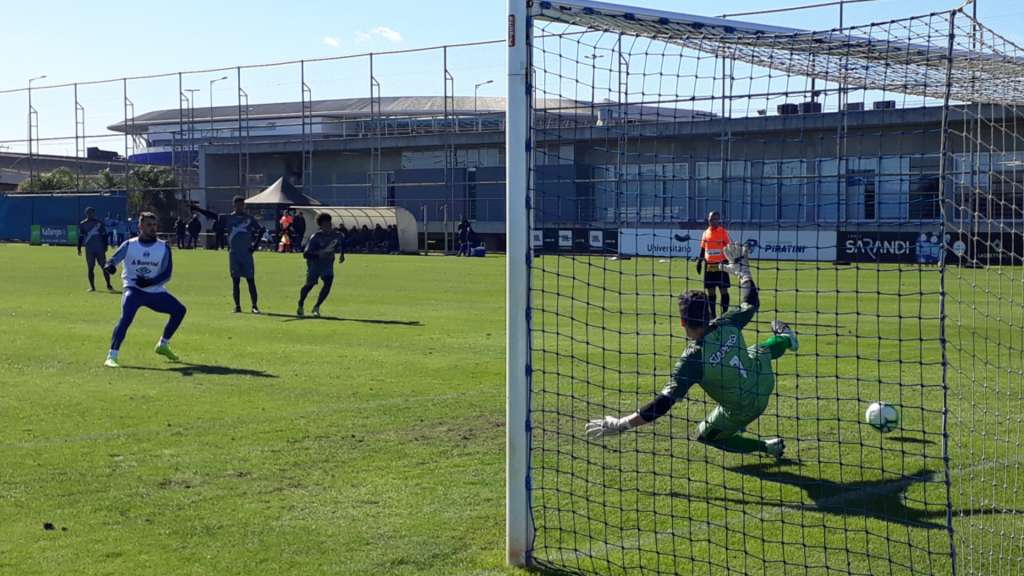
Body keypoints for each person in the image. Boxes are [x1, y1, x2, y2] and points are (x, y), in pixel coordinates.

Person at [585, 244, 799, 459]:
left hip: (744, 409)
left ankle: (766, 447)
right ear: (708, 314)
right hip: (763, 381)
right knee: (758, 350)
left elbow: (663, 403)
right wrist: (743, 271)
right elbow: (751, 301)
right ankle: (784, 339)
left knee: (704, 434)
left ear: (682, 322)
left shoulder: (692, 360)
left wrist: (621, 424)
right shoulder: (727, 322)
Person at [102, 212, 187, 368]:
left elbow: (167, 274)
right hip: (133, 290)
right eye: (149, 225)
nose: (153, 228)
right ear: (140, 226)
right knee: (126, 317)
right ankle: (111, 355)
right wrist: (110, 266)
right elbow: (112, 260)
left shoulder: (164, 247)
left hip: (155, 291)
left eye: (154, 225)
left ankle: (163, 344)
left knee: (180, 310)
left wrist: (150, 282)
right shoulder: (129, 244)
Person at [192, 198, 264, 313]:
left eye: (241, 205)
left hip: (246, 254)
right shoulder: (228, 218)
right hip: (234, 254)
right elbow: (213, 216)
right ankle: (237, 306)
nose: (239, 207)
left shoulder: (249, 219)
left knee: (251, 280)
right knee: (235, 281)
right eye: (237, 205)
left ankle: (254, 306)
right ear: (233, 205)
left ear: (244, 205)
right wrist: (198, 209)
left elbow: (261, 230)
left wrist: (254, 246)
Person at [297, 212, 345, 318]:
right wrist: (319, 253)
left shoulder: (337, 234)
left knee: (328, 283)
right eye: (325, 225)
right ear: (320, 226)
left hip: (328, 264)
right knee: (309, 285)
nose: (328, 226)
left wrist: (342, 255)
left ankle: (317, 306)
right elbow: (306, 253)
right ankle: (301, 303)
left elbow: (341, 241)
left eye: (329, 224)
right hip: (315, 264)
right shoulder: (316, 237)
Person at [695, 211, 732, 315]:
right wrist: (699, 262)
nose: (714, 221)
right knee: (711, 292)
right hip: (709, 266)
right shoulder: (705, 233)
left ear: (719, 220)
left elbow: (729, 248)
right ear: (708, 220)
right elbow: (703, 249)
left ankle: (724, 313)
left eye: (716, 219)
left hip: (721, 264)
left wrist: (730, 262)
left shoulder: (723, 232)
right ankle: (713, 315)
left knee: (723, 290)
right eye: (712, 219)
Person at [77, 207, 114, 292]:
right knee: (90, 268)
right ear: (86, 214)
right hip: (89, 249)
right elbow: (81, 237)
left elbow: (105, 235)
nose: (90, 214)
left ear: (94, 213)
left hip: (99, 248)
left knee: (104, 267)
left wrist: (105, 246)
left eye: (92, 213)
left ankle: (108, 285)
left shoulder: (99, 223)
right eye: (89, 213)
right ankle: (92, 287)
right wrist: (79, 248)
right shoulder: (83, 224)